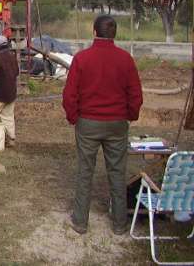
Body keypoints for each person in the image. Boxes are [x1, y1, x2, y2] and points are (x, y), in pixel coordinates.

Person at [62, 15, 143, 235]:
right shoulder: (126, 59)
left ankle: (80, 221)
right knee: (117, 173)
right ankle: (119, 224)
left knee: (85, 172)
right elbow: (135, 94)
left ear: (94, 32)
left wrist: (74, 117)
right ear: (114, 34)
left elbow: (70, 94)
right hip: (117, 123)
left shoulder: (82, 58)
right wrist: (130, 116)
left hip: (88, 123)